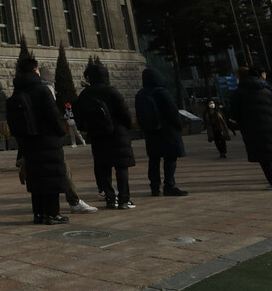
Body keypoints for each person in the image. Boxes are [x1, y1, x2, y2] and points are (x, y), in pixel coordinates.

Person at [9, 60, 69, 224]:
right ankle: (52, 214)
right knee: (51, 176)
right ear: (35, 71)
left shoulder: (17, 92)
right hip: (47, 139)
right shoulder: (42, 90)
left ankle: (39, 214)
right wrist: (61, 133)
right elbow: (52, 115)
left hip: (28, 140)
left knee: (35, 177)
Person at [75, 64, 136, 209]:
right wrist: (126, 127)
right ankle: (123, 200)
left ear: (89, 77)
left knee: (103, 168)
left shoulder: (85, 94)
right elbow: (125, 114)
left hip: (98, 135)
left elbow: (79, 118)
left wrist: (88, 129)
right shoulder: (112, 91)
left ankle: (110, 198)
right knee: (121, 168)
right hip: (118, 134)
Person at [38, 67, 95, 214]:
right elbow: (52, 116)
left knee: (43, 174)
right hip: (49, 140)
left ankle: (43, 209)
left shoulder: (29, 91)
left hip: (36, 141)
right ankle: (74, 202)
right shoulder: (46, 90)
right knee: (63, 169)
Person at [229, 66, 272, 190]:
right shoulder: (266, 89)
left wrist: (239, 121)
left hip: (252, 127)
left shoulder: (239, 92)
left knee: (263, 155)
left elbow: (234, 112)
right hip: (270, 125)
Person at [135, 68, 187, 197]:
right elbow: (173, 112)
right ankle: (169, 185)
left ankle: (154, 187)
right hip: (167, 132)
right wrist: (179, 126)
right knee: (170, 159)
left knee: (154, 160)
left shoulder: (140, 94)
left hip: (151, 132)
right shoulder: (161, 92)